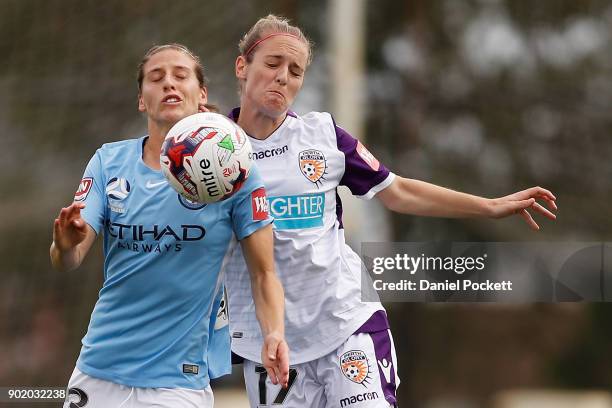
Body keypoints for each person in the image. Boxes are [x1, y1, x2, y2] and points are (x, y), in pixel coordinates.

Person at [223, 15, 558, 408]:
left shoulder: (323, 137)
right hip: (268, 342)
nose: (284, 77)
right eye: (273, 63)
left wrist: (488, 205)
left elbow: (396, 191)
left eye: (296, 71)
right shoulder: (211, 154)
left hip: (346, 324)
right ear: (243, 66)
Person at [50, 43, 289, 408]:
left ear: (201, 94)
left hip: (178, 382)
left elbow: (264, 273)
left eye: (181, 75)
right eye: (156, 78)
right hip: (97, 369)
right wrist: (66, 245)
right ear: (142, 100)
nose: (169, 84)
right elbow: (68, 259)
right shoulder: (108, 162)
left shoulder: (235, 174)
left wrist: (274, 332)